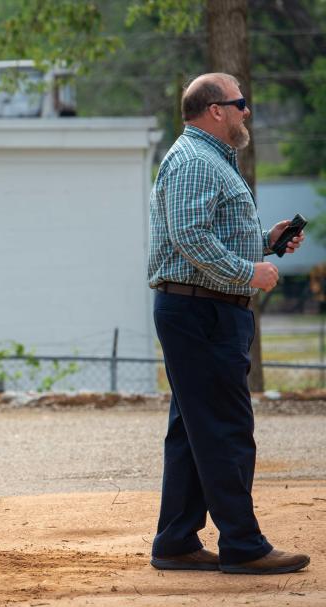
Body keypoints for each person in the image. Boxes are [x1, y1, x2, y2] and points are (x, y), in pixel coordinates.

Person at [147, 72, 309, 575]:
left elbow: (207, 233)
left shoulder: (209, 159)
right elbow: (190, 239)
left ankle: (175, 541)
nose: (247, 113)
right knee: (226, 429)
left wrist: (264, 240)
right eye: (241, 104)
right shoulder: (195, 161)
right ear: (215, 109)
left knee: (193, 430)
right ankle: (242, 544)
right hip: (203, 311)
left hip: (203, 309)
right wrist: (250, 273)